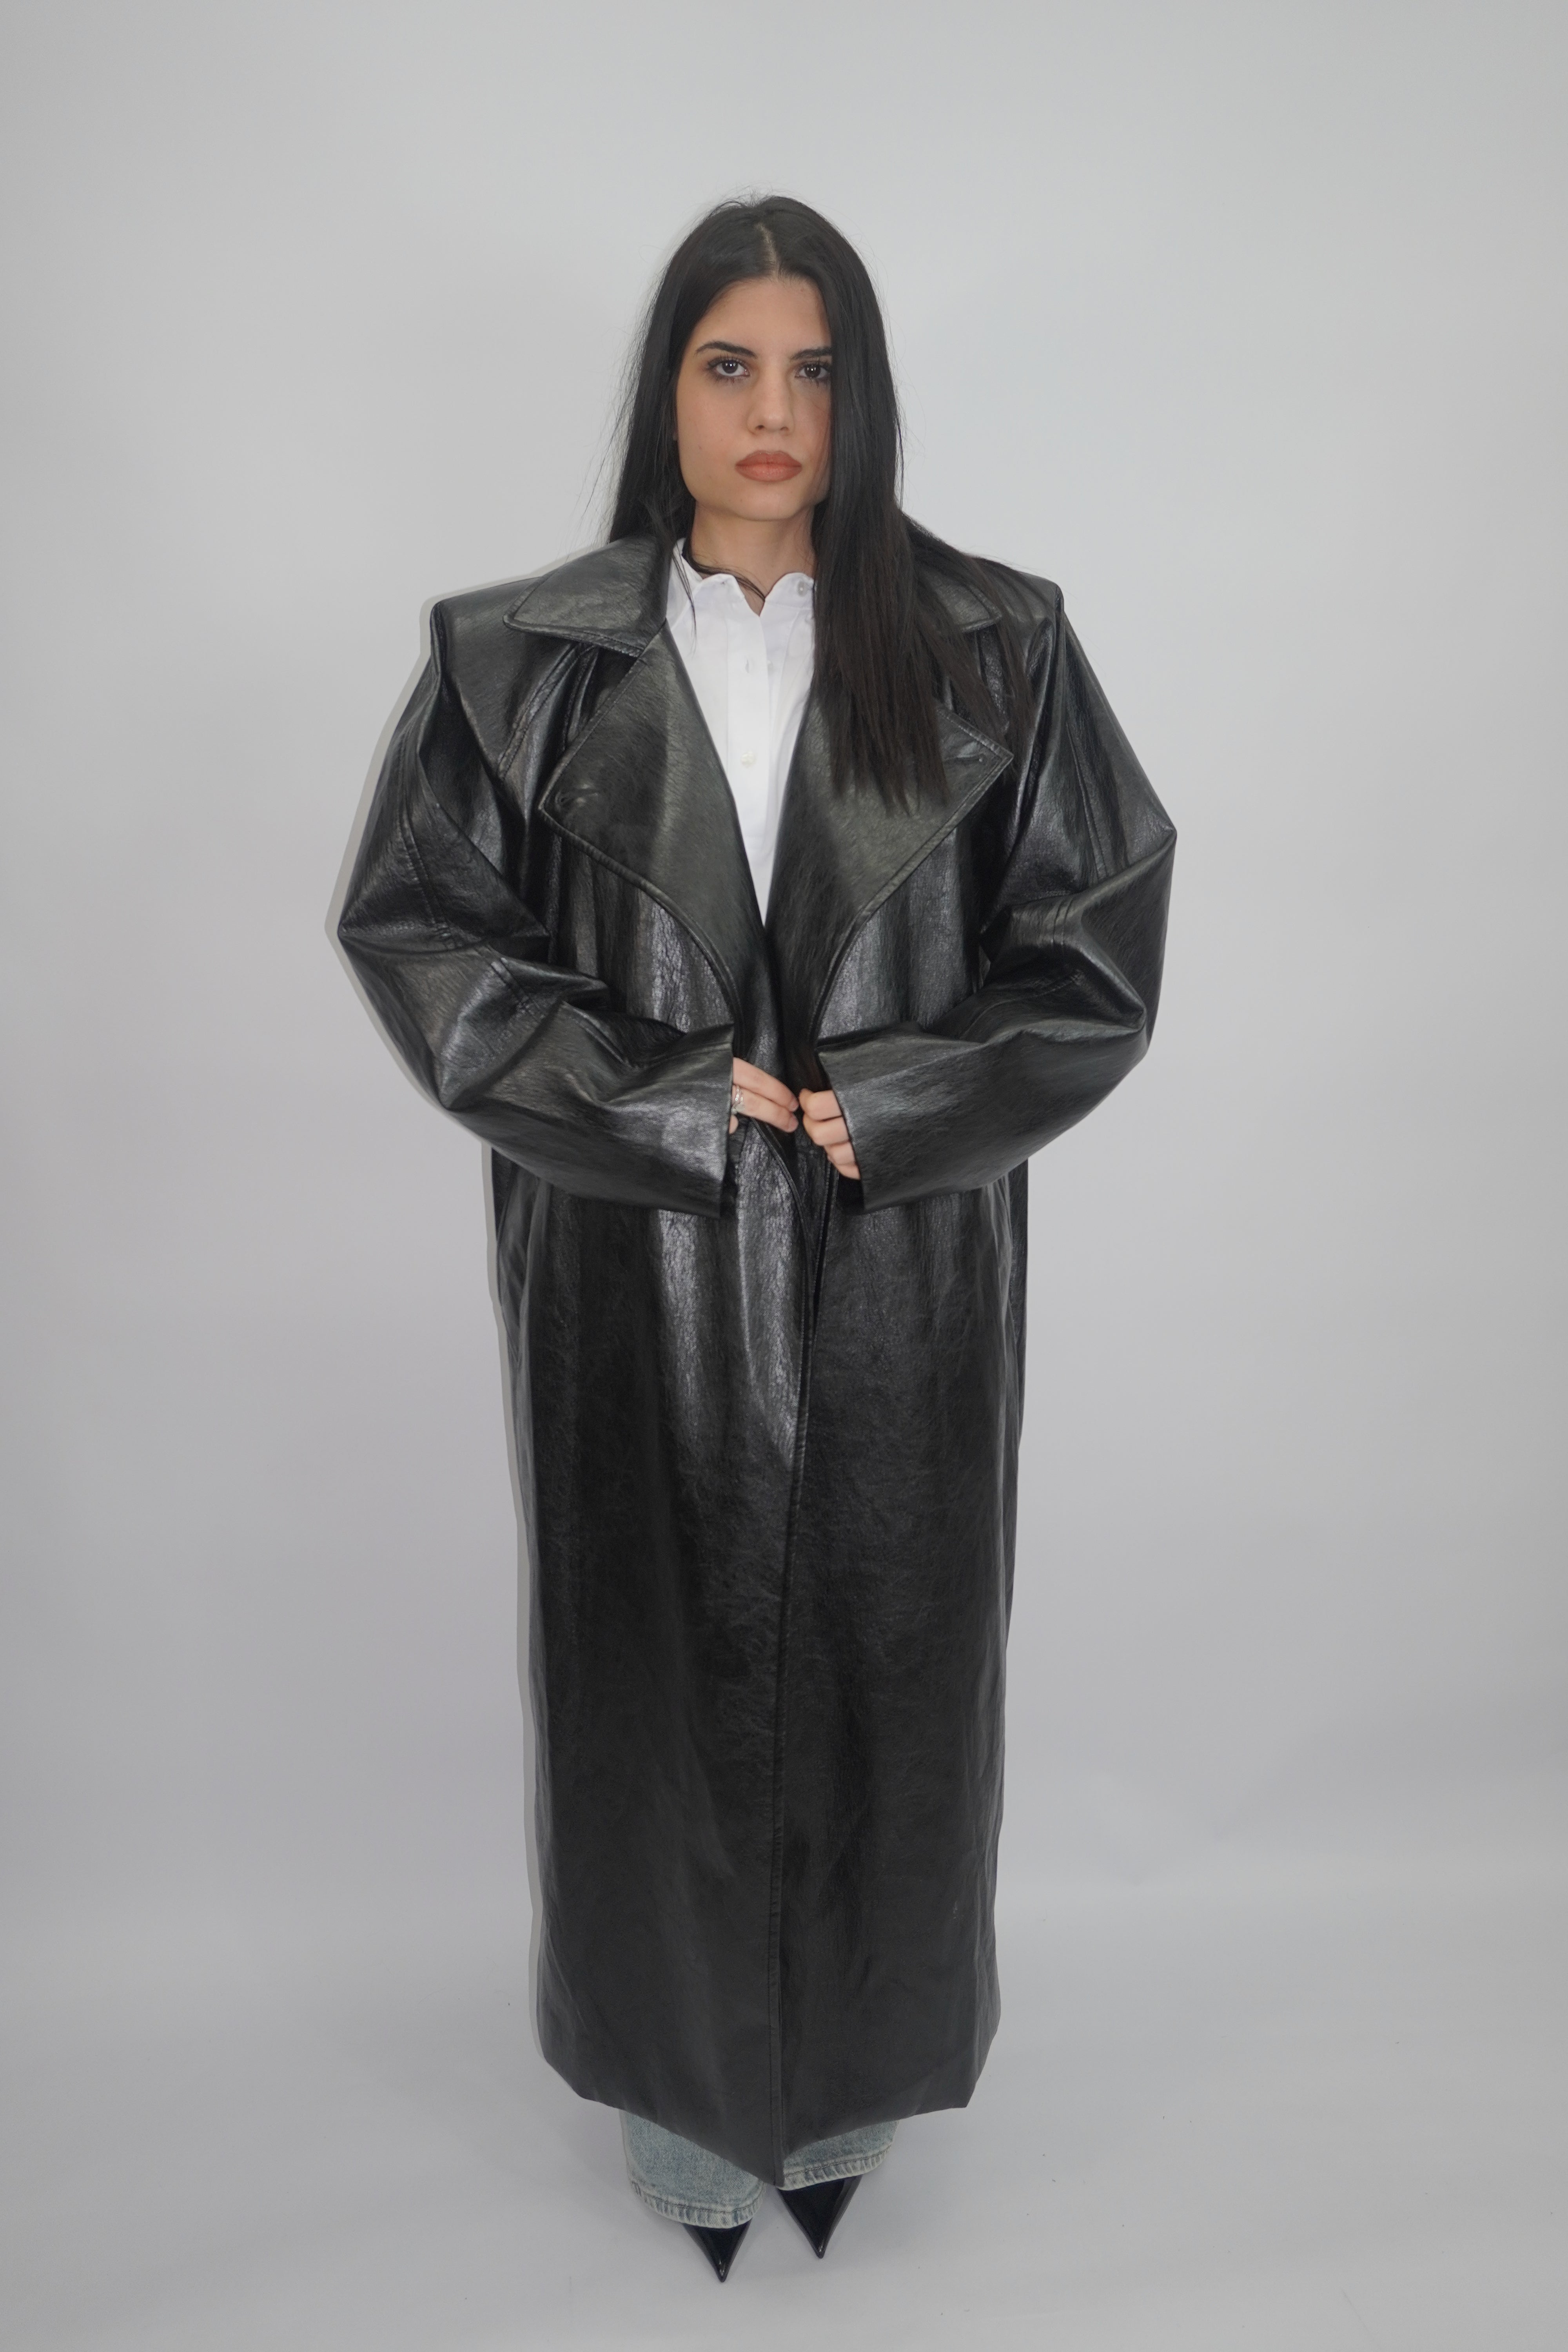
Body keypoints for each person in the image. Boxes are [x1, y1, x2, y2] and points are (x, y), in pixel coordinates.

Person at [336, 194, 1174, 2282]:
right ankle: (682, 2109)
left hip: (906, 1277)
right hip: (634, 1271)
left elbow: (1093, 952)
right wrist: (646, 1094)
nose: (773, 408)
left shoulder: (998, 652)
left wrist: (900, 1096)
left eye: (815, 368)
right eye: (731, 364)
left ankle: (852, 2090)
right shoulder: (523, 664)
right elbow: (423, 931)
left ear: (861, 396)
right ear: (671, 391)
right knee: (653, 1686)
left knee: (895, 1676)